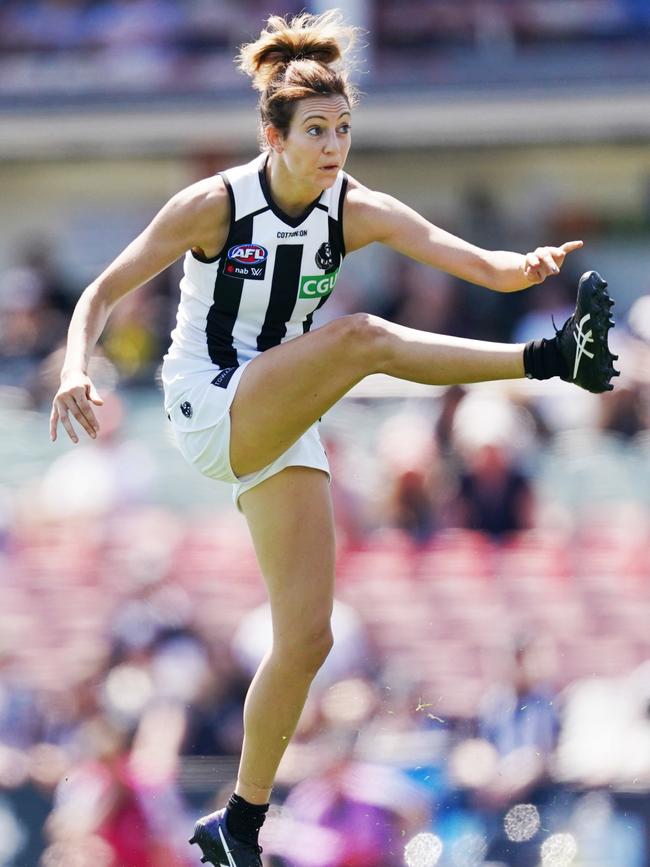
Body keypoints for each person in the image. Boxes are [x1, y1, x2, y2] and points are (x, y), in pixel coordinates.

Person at [50, 11, 619, 866]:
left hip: (280, 414)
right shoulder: (214, 205)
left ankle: (238, 822)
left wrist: (528, 267)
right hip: (207, 404)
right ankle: (549, 358)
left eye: (344, 130)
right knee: (360, 341)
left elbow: (481, 264)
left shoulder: (356, 208)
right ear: (272, 137)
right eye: (315, 131)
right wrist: (72, 366)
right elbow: (99, 290)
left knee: (308, 638)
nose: (333, 147)